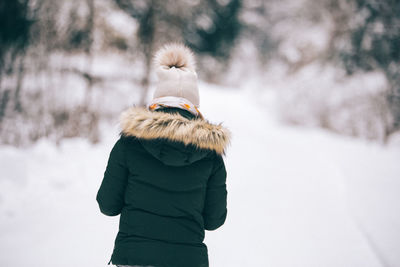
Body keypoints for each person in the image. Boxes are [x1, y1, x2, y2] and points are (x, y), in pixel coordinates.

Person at [96, 43, 231, 267]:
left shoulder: (129, 143)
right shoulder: (210, 155)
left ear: (156, 102)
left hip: (133, 257)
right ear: (194, 108)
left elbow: (107, 205)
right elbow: (214, 220)